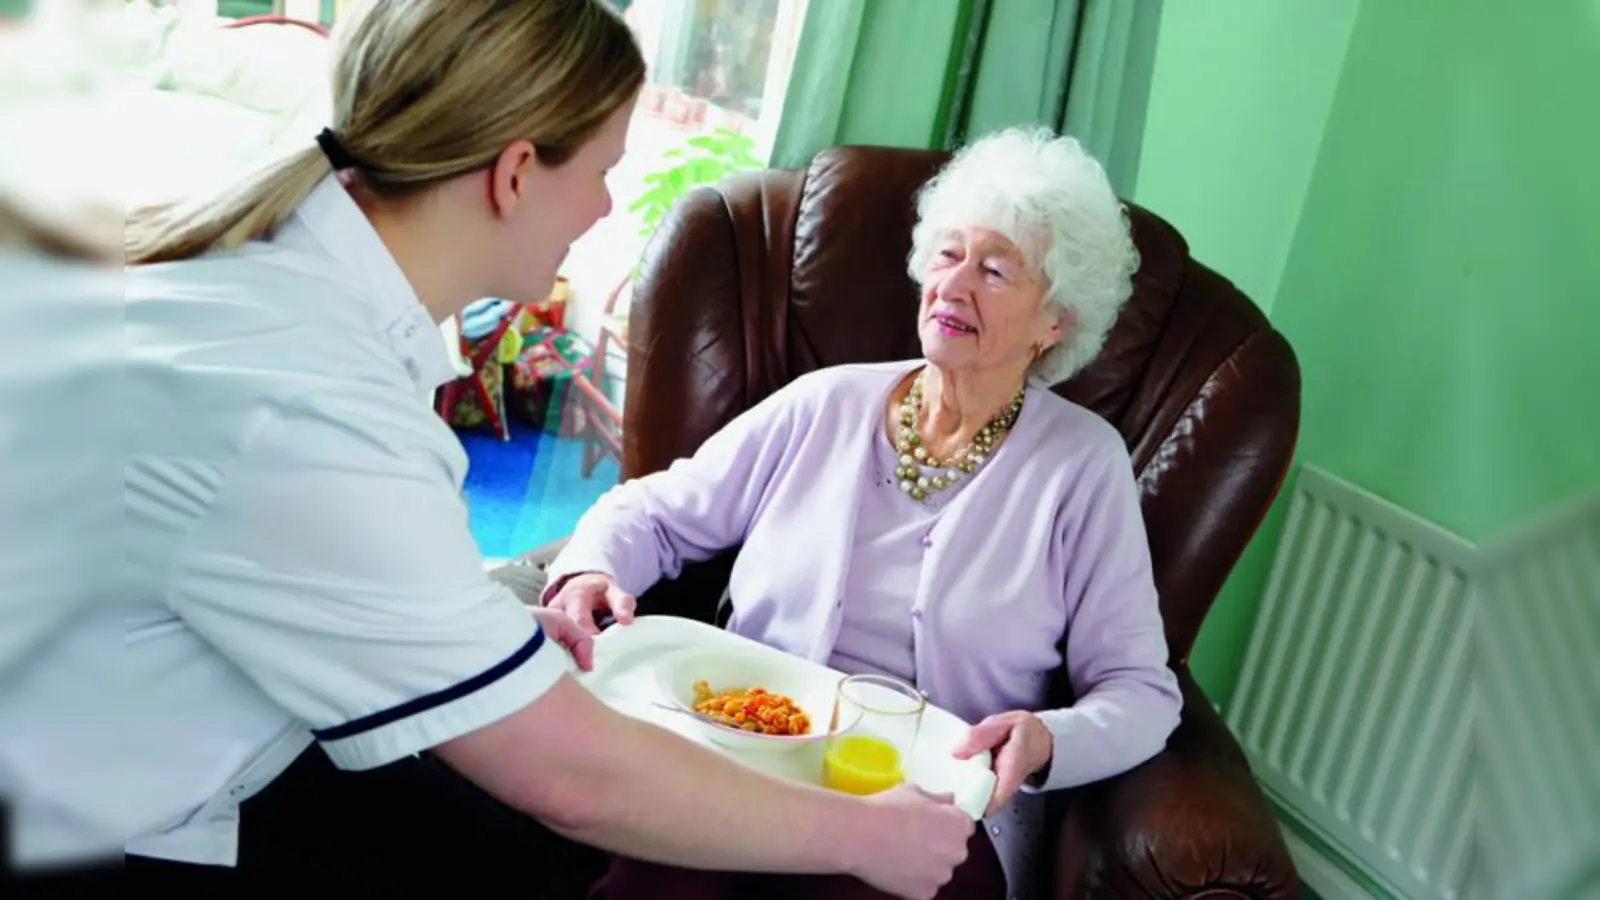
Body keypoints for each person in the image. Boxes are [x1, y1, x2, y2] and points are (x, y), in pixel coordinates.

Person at [112, 1, 973, 897]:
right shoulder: (316, 397)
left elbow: (284, 554)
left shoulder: (287, 283)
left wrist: (455, 627)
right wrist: (867, 837)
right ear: (515, 173)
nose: (604, 206)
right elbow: (572, 779)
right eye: (602, 171)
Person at [541, 127, 1185, 900]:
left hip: (929, 799)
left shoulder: (1083, 467)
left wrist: (1048, 738)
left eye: (994, 269)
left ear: (1056, 320)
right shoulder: (824, 403)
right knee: (658, 877)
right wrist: (591, 571)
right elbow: (656, 512)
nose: (953, 286)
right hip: (749, 749)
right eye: (947, 255)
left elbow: (1140, 691)